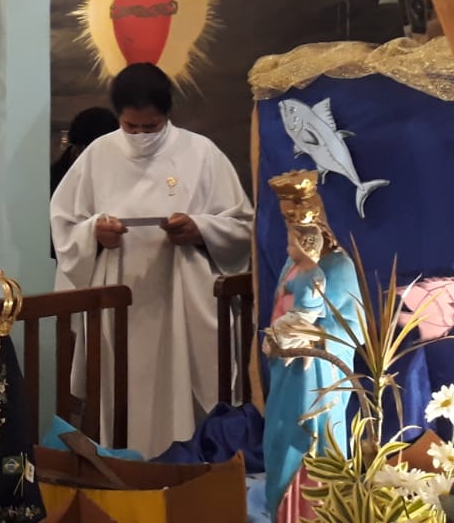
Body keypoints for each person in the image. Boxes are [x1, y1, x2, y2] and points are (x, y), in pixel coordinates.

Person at [50, 62, 254, 457]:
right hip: (119, 301)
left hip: (183, 296)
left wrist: (199, 229)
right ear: (118, 117)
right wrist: (95, 233)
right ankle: (127, 469)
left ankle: (189, 471)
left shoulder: (201, 152)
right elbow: (64, 224)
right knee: (121, 390)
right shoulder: (98, 154)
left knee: (184, 391)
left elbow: (242, 224)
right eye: (132, 127)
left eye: (151, 127)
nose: (141, 136)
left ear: (167, 115)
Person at [261, 172, 364, 516]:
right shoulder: (293, 264)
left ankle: (315, 512)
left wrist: (312, 335)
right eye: (287, 222)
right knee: (279, 435)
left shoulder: (338, 266)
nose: (291, 229)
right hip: (287, 367)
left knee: (311, 440)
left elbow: (353, 328)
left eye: (296, 221)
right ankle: (282, 509)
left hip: (318, 374)